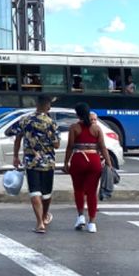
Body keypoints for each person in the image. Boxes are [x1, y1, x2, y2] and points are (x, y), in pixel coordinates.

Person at [8, 94, 61, 234]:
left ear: (37, 104)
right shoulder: (51, 123)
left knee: (34, 192)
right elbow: (56, 144)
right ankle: (44, 217)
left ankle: (39, 223)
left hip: (31, 162)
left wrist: (15, 156)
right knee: (47, 193)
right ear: (48, 106)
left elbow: (15, 136)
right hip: (48, 162)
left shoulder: (25, 120)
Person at [63, 102, 111, 233]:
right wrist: (109, 164)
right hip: (94, 160)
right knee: (91, 192)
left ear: (77, 114)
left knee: (78, 190)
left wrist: (66, 162)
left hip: (78, 159)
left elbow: (70, 147)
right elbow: (102, 147)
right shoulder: (97, 128)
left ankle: (80, 216)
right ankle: (92, 223)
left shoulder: (74, 127)